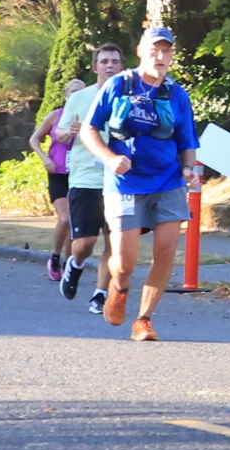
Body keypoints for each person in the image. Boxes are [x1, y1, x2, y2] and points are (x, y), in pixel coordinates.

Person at [75, 26, 206, 342]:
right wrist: (110, 158)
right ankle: (119, 288)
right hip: (125, 183)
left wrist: (189, 169)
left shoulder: (177, 94)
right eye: (154, 50)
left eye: (166, 51)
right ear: (140, 51)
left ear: (172, 56)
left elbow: (187, 141)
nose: (160, 56)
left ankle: (144, 319)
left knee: (165, 253)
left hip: (168, 181)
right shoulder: (119, 85)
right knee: (124, 262)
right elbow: (89, 130)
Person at [49, 45, 126, 306]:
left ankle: (100, 294)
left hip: (120, 180)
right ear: (95, 67)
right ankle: (76, 263)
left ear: (122, 67)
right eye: (104, 61)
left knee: (115, 241)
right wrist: (70, 131)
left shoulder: (129, 98)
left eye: (114, 61)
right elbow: (60, 134)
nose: (109, 65)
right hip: (86, 178)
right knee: (85, 242)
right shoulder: (79, 98)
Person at [32, 75, 89, 279]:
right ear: (66, 96)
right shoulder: (56, 116)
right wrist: (45, 158)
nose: (77, 95)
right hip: (58, 173)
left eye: (81, 92)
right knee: (65, 219)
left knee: (74, 223)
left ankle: (67, 264)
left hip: (81, 174)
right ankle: (55, 257)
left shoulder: (90, 117)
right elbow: (34, 139)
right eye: (73, 91)